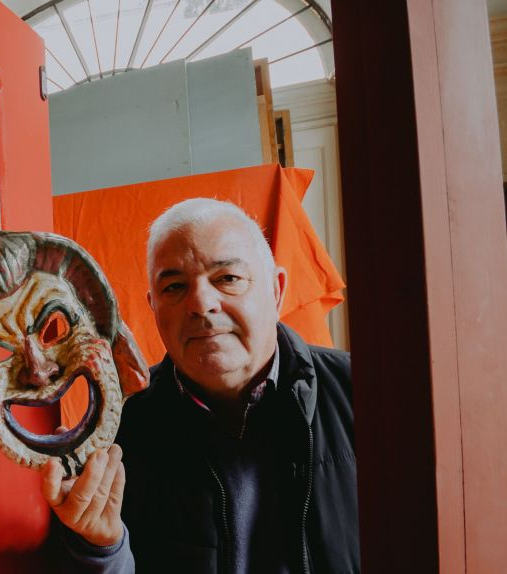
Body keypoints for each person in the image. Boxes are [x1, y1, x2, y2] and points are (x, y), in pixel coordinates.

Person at [41, 198, 359, 573]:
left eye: (227, 279)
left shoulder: (364, 394)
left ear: (276, 290)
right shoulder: (121, 433)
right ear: (153, 307)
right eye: (175, 287)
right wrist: (101, 548)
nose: (201, 303)